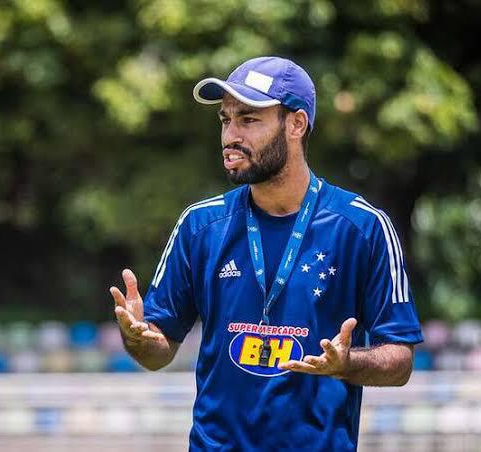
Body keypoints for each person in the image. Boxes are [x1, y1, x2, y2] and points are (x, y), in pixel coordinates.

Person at [109, 56, 423, 451]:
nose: (230, 136)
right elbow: (158, 351)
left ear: (296, 124)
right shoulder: (200, 225)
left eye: (249, 120)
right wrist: (138, 337)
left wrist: (348, 364)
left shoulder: (363, 228)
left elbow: (400, 361)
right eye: (225, 120)